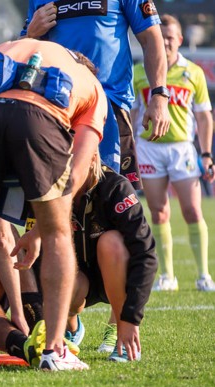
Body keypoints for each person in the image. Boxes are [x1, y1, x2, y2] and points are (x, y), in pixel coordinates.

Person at [0, 39, 107, 371]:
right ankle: (54, 350)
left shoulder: (12, 45)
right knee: (57, 235)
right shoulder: (91, 86)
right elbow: (80, 166)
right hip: (39, 117)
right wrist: (49, 221)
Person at [21, 0, 171, 189]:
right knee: (53, 191)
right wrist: (30, 34)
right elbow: (24, 51)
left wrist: (159, 94)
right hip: (58, 106)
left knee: (110, 196)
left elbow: (151, 38)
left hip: (110, 105)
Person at [132, 14, 215, 293]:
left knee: (192, 210)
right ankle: (168, 276)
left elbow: (204, 117)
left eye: (170, 37)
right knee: (159, 212)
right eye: (161, 36)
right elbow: (133, 113)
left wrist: (206, 153)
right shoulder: (140, 72)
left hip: (182, 149)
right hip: (149, 148)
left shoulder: (193, 72)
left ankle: (204, 275)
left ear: (179, 39)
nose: (165, 42)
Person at [67, 155, 157, 362]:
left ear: (92, 157)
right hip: (78, 277)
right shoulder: (52, 187)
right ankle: (69, 327)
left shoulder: (116, 187)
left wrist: (130, 319)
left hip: (114, 272)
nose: (67, 170)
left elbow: (146, 254)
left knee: (111, 242)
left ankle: (121, 332)